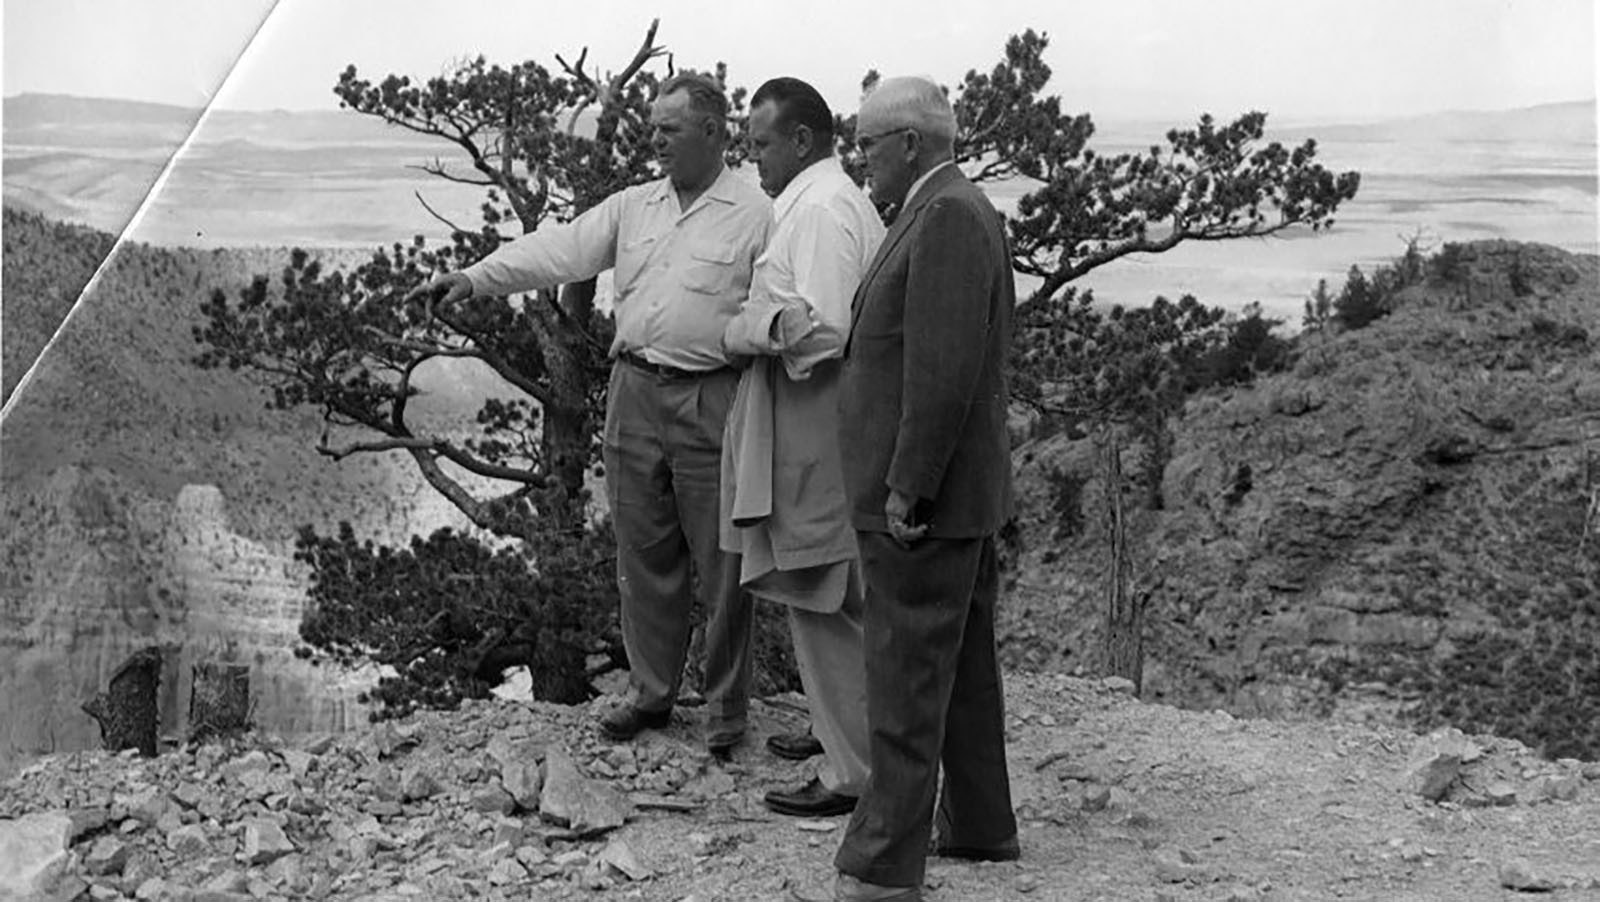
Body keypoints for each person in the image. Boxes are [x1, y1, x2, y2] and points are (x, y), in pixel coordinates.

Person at [403, 72, 771, 755]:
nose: (653, 140)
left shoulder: (755, 213)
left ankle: (726, 710)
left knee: (723, 559)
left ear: (714, 133)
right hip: (633, 392)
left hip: (712, 395)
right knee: (644, 551)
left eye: (669, 129)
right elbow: (560, 249)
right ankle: (652, 695)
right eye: (652, 127)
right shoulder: (634, 206)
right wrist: (475, 277)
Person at [829, 76, 1019, 902]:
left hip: (923, 504)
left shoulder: (942, 216)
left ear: (909, 143)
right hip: (957, 496)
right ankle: (981, 826)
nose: (860, 159)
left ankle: (880, 867)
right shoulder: (955, 208)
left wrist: (908, 486)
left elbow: (941, 372)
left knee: (904, 675)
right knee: (965, 669)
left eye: (868, 144)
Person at [717, 76, 883, 818]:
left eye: (760, 144)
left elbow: (822, 329)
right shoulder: (827, 202)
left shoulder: (817, 211)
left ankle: (851, 770)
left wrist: (745, 327)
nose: (752, 159)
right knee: (828, 592)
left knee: (822, 590)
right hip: (818, 424)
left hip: (814, 425)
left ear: (802, 140)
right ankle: (837, 729)